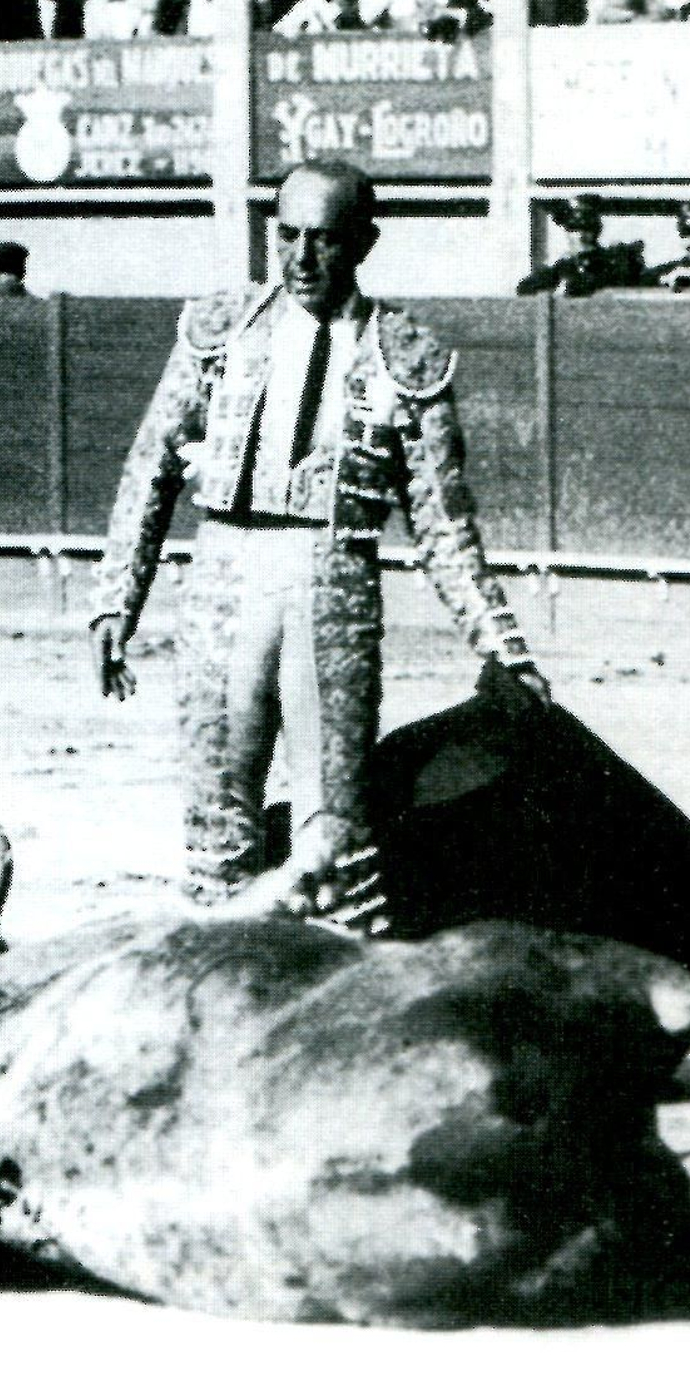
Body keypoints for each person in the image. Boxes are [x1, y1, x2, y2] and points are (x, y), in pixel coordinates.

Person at [90, 160, 550, 930]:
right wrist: (116, 601)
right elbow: (151, 465)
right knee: (216, 832)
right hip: (222, 580)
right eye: (289, 237)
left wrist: (503, 646)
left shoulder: (406, 357)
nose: (303, 258)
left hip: (334, 586)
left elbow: (443, 525)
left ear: (363, 243)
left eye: (325, 241)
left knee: (334, 835)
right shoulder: (220, 330)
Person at [516, 194, 645, 297]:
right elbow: (525, 289)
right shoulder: (562, 267)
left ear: (597, 232)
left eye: (588, 228)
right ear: (567, 232)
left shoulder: (609, 263)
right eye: (574, 229)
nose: (581, 235)